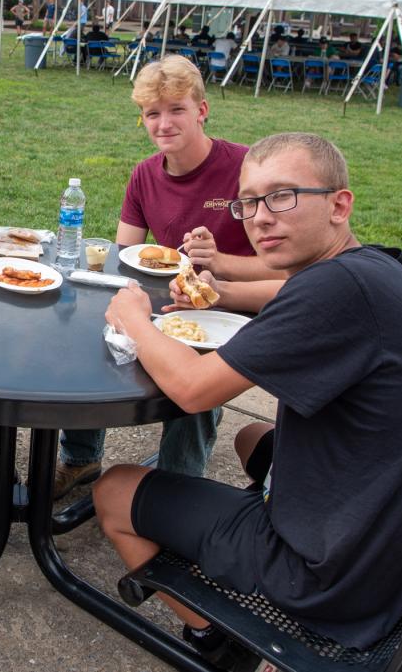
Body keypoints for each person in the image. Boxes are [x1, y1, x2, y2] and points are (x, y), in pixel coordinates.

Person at [95, 132, 402, 665]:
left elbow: (193, 391)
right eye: (248, 201)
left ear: (339, 204)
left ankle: (218, 642)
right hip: (393, 538)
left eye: (283, 196)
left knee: (114, 490)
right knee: (252, 437)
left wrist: (134, 319)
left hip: (333, 573)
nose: (259, 217)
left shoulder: (333, 293)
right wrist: (219, 293)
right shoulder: (375, 269)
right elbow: (286, 294)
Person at [54, 56, 283, 500]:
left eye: (176, 109)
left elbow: (284, 269)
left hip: (234, 311)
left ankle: (180, 485)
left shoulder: (245, 169)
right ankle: (81, 456)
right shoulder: (144, 174)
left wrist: (220, 264)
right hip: (170, 300)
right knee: (98, 328)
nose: (164, 123)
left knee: (193, 371)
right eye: (152, 113)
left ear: (202, 110)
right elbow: (126, 255)